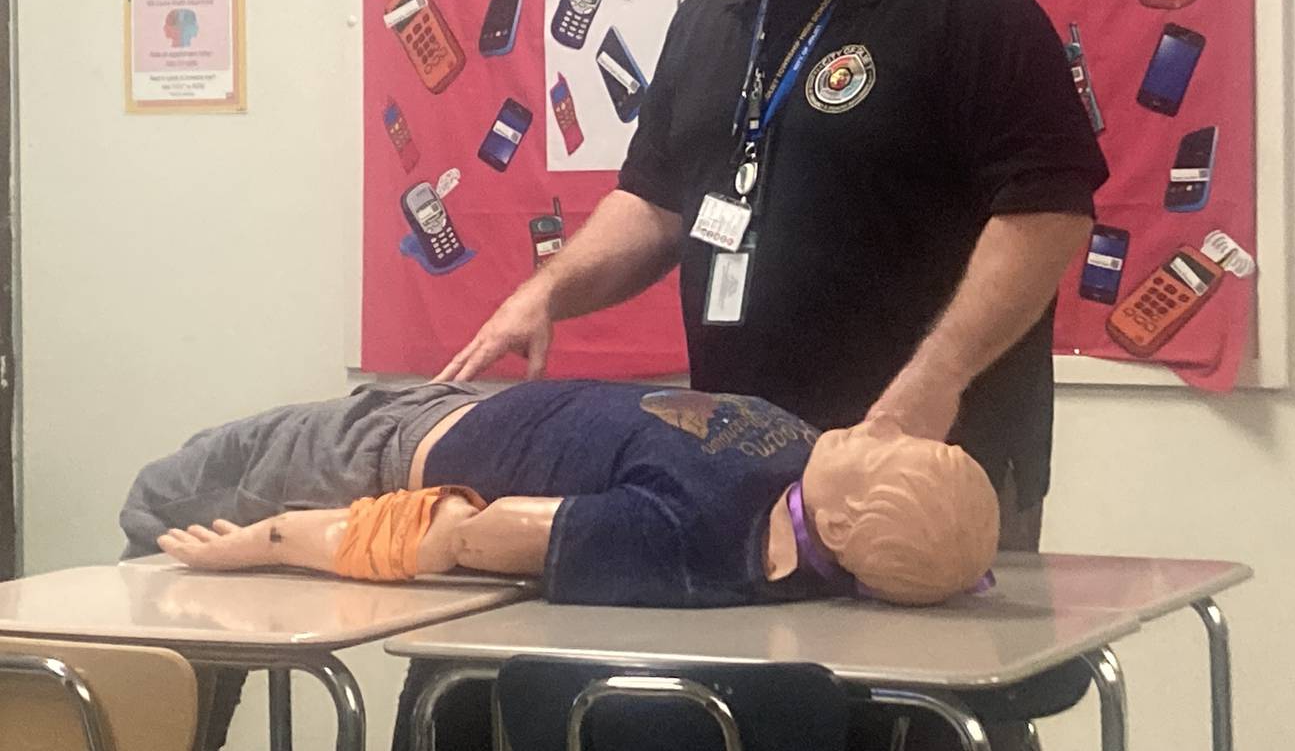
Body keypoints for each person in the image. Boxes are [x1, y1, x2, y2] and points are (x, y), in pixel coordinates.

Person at [438, 0, 1106, 751]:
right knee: (774, 718)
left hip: (924, 451)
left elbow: (1048, 212)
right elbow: (655, 203)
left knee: (925, 721)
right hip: (743, 463)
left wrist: (933, 383)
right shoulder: (711, 18)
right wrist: (547, 292)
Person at [126, 379, 999, 607]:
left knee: (159, 504)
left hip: (375, 459)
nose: (886, 430)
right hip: (455, 406)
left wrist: (271, 539)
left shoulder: (689, 541)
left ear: (842, 527)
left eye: (889, 459)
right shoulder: (811, 467)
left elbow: (461, 534)